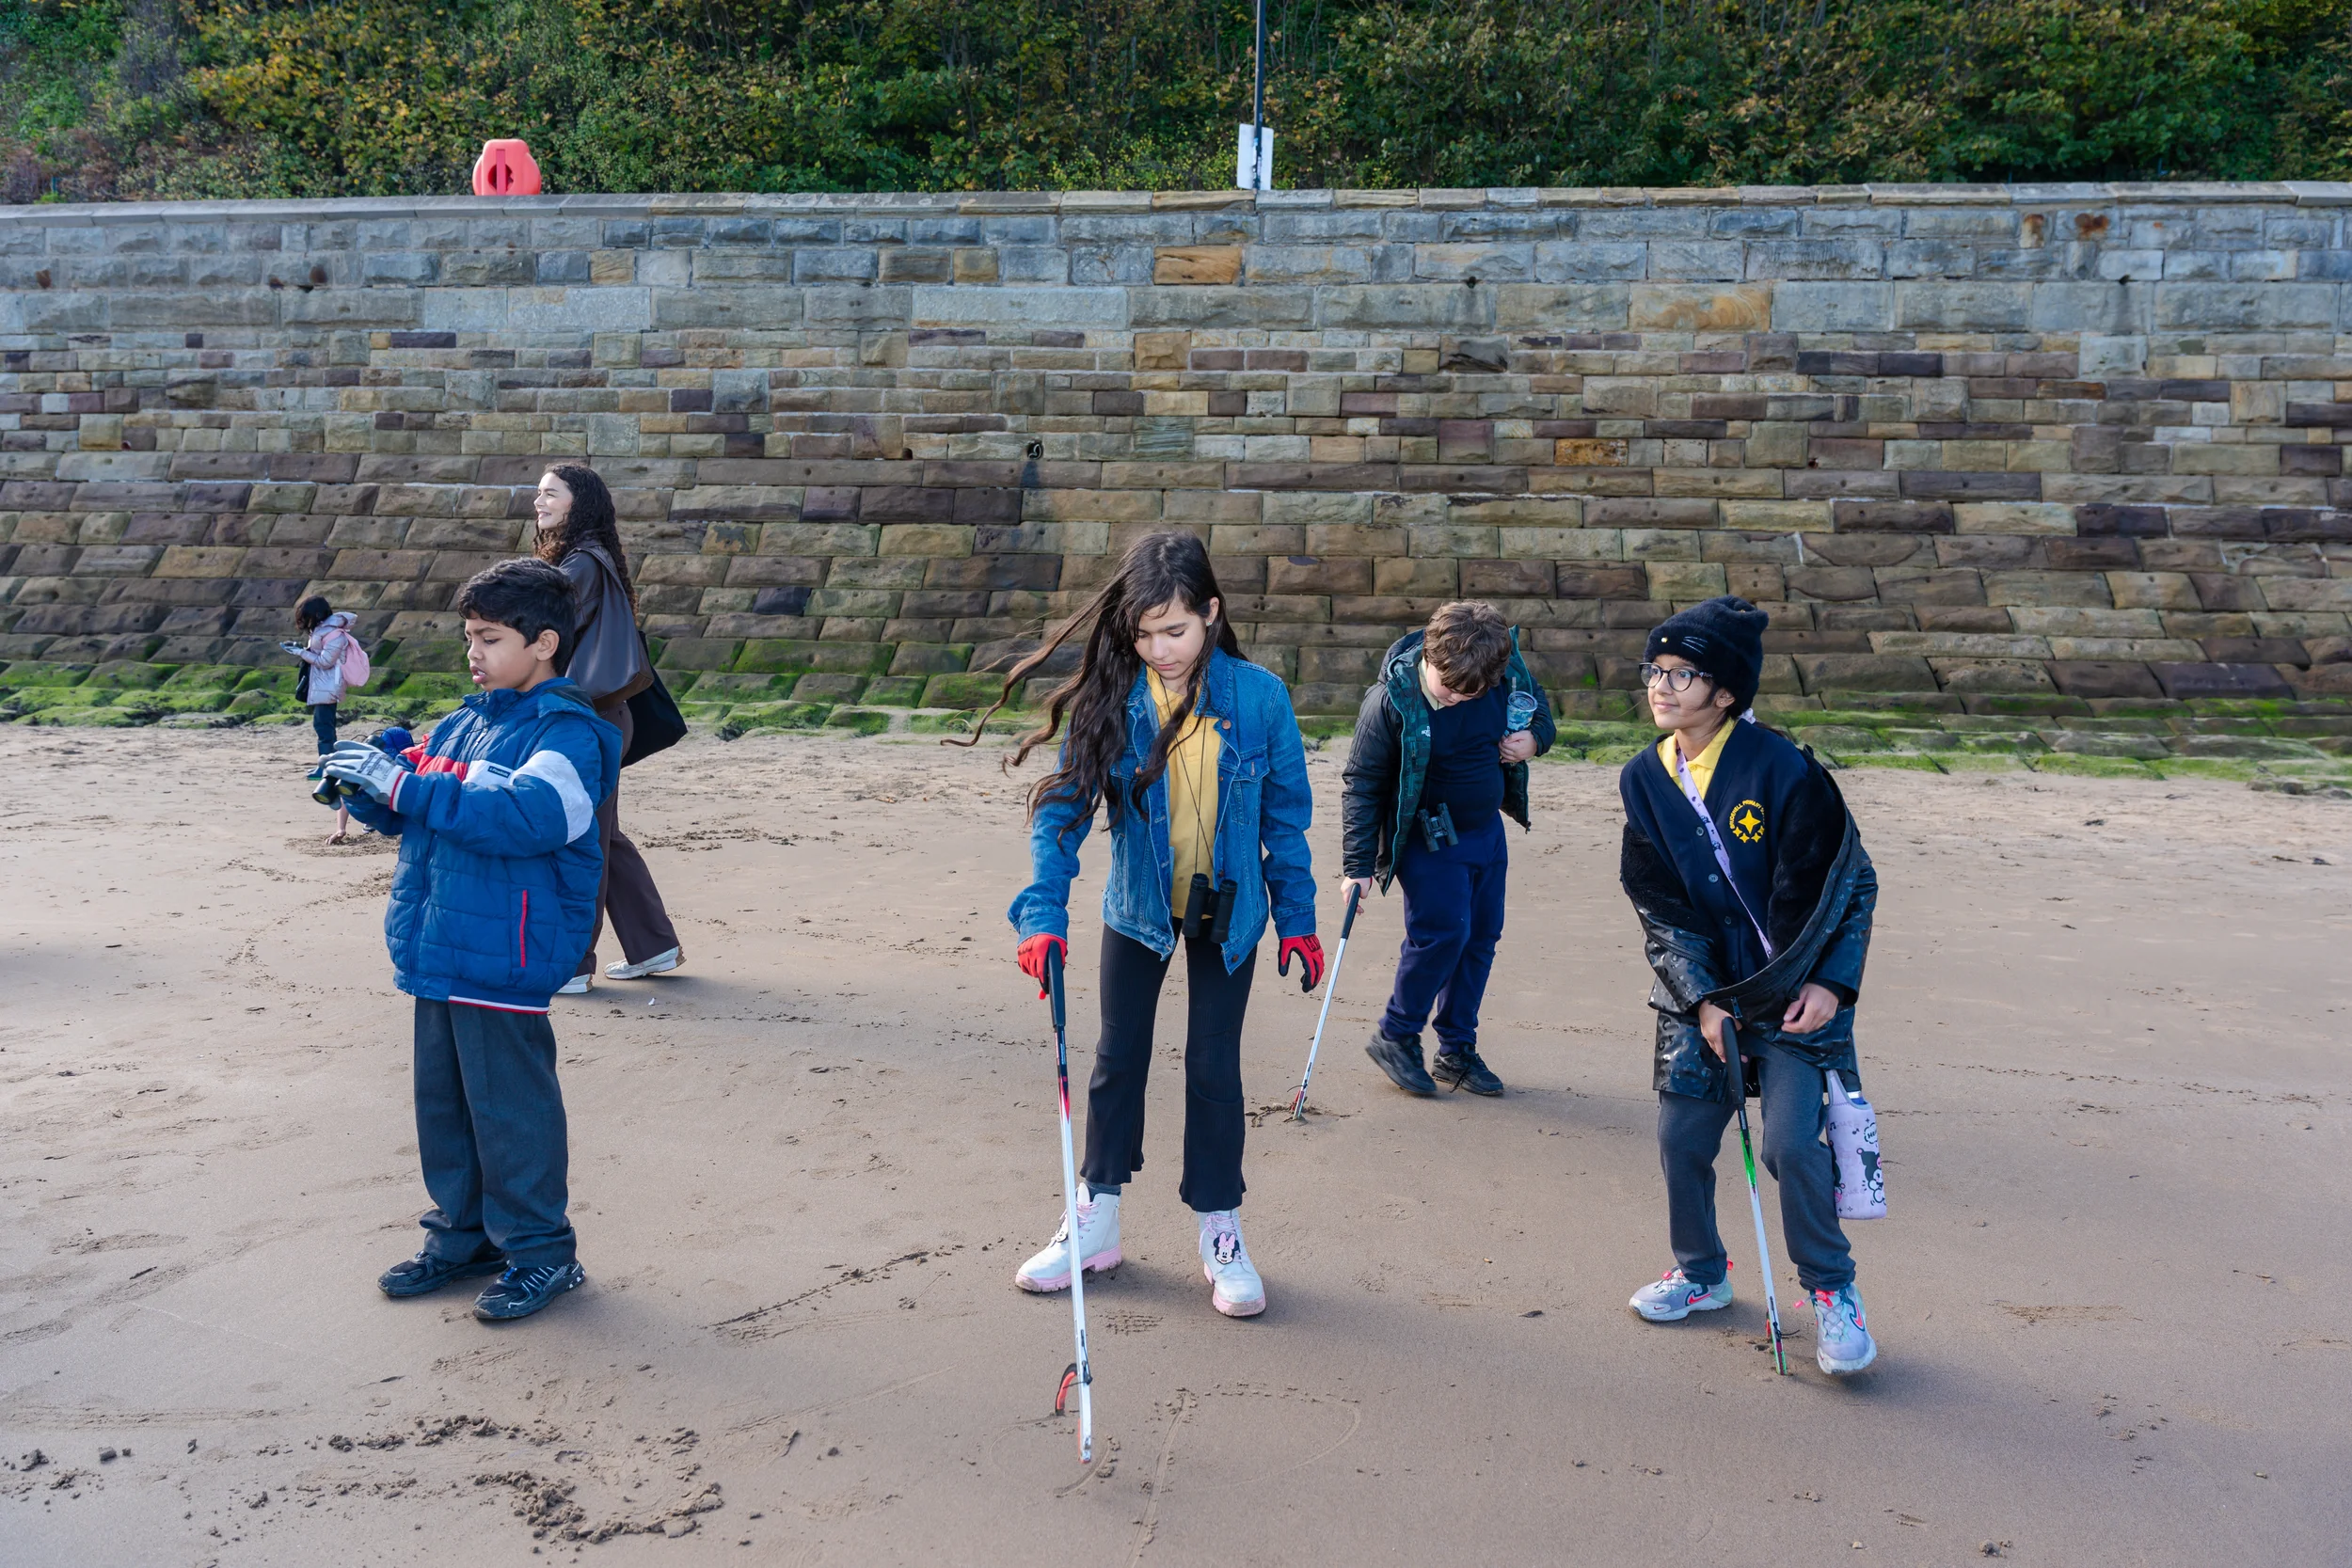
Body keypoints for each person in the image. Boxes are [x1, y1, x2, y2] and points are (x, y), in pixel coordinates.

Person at [966, 531, 1321, 1320]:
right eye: (1144, 632)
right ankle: (1095, 1217)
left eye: (1176, 630)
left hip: (1229, 919)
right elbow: (1062, 811)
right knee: (1116, 1057)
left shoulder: (1259, 698)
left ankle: (1219, 1226)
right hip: (1137, 910)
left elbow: (1286, 822)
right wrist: (1043, 913)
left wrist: (1298, 918)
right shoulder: (1114, 696)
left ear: (1211, 615)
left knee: (1213, 1066)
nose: (1159, 648)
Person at [320, 558, 621, 1324]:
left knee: (509, 1109)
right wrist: (367, 783)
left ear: (544, 642)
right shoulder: (465, 720)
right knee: (445, 1105)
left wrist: (405, 786)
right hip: (440, 947)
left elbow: (529, 817)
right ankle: (463, 1235)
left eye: (489, 638)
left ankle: (542, 1252)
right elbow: (418, 804)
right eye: (468, 637)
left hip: (505, 957)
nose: (473, 653)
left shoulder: (568, 731)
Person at [1613, 595, 1882, 1376]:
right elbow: (1655, 902)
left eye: (1681, 673)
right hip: (1705, 996)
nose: (1660, 686)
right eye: (1654, 670)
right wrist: (1700, 997)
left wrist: (1833, 984)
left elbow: (1852, 883)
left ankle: (1833, 1294)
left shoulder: (1785, 769)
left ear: (1726, 691)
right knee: (1681, 1139)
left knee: (1793, 1145)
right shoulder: (1643, 778)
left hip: (1796, 995)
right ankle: (1700, 1273)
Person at [1341, 601, 1555, 1098]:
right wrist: (1357, 867)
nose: (1458, 696)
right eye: (1448, 685)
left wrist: (1534, 740)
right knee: (1443, 934)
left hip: (1485, 833)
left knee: (1481, 937)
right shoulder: (1390, 702)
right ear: (1430, 658)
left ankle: (1456, 1048)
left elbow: (1539, 709)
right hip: (1425, 835)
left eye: (1472, 691)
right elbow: (1361, 783)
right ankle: (1396, 1035)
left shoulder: (1503, 674)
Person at [531, 463, 681, 993]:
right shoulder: (588, 558)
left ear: (579, 502)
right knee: (602, 835)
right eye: (538, 494)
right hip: (601, 715)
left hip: (588, 717)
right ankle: (653, 945)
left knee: (583, 839)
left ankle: (573, 965)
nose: (538, 502)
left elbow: (533, 623)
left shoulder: (580, 564)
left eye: (550, 493)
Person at [283, 595, 358, 844]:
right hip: (321, 686)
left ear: (316, 614)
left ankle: (327, 765)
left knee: (325, 727)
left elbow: (326, 662)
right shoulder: (322, 629)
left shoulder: (334, 633)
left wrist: (300, 653)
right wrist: (301, 649)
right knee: (321, 726)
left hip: (328, 686)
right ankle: (323, 763)